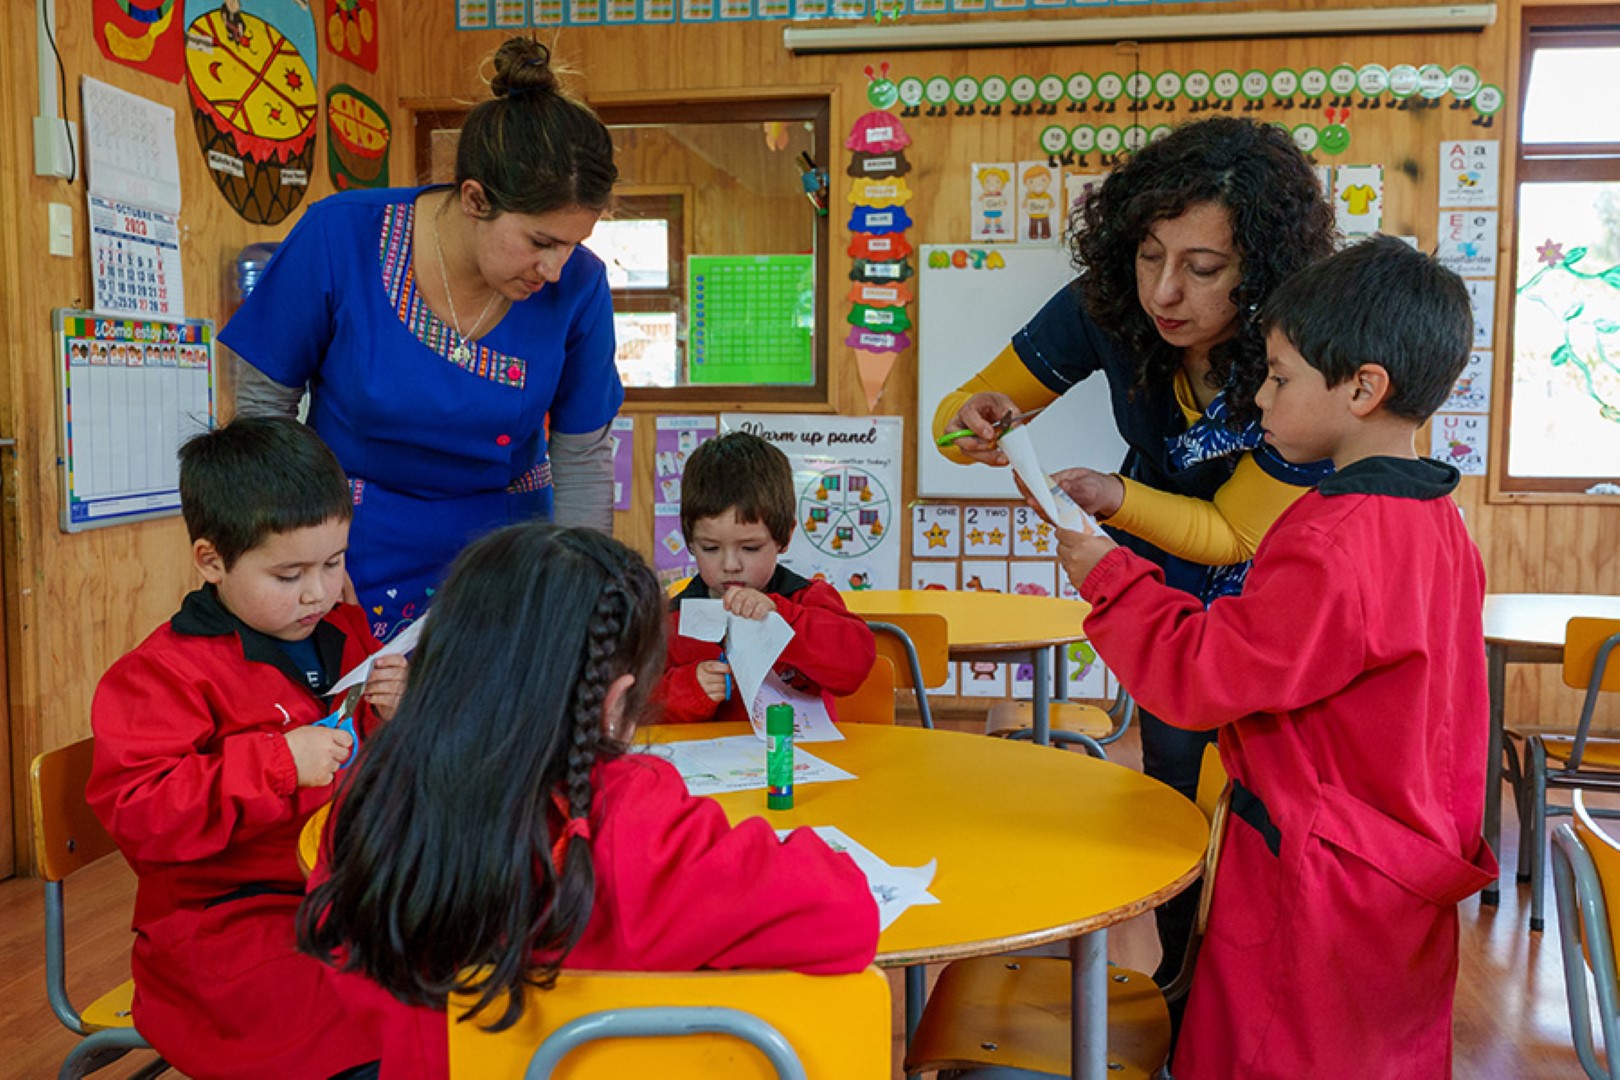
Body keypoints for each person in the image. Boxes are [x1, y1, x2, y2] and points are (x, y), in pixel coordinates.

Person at [1056, 237, 1497, 1078]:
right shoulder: (1439, 522)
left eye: (1281, 377)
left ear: (1363, 389)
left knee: (1268, 1053)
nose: (1260, 395)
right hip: (1400, 867)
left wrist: (1108, 575)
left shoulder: (1332, 538)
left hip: (1320, 876)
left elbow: (1201, 676)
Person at [933, 116, 1336, 979]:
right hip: (1165, 582)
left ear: (1261, 269)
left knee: (1272, 807)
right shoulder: (1109, 304)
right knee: (1174, 783)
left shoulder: (1302, 346)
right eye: (1150, 255)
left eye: (1204, 268)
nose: (1164, 292)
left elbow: (1233, 532)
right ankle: (1183, 984)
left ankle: (1253, 993)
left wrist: (1114, 499)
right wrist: (970, 424)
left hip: (1274, 589)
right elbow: (955, 417)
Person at [299, 524, 879, 1078]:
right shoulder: (633, 827)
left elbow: (355, 979)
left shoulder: (373, 803)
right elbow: (847, 914)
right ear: (616, 700)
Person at [224, 37, 624, 644]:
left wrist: (585, 593)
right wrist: (304, 563)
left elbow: (582, 456)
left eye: (574, 245)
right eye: (541, 242)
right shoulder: (342, 237)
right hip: (348, 548)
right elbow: (262, 415)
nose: (555, 269)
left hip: (507, 554)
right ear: (475, 199)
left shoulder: (580, 286)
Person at [87, 417, 408, 1080]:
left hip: (345, 891)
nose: (319, 592)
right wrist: (279, 763)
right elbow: (142, 814)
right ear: (212, 561)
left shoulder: (343, 632)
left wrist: (398, 710)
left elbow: (369, 764)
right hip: (224, 928)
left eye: (334, 563)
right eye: (289, 574)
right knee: (362, 1034)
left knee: (469, 988)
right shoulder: (160, 676)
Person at [658, 431, 876, 724]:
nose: (730, 565)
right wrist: (689, 689)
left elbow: (855, 666)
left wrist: (785, 620)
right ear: (690, 542)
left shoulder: (807, 599)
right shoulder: (672, 622)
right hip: (711, 753)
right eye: (710, 548)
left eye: (750, 548)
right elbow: (636, 705)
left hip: (801, 750)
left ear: (784, 538)